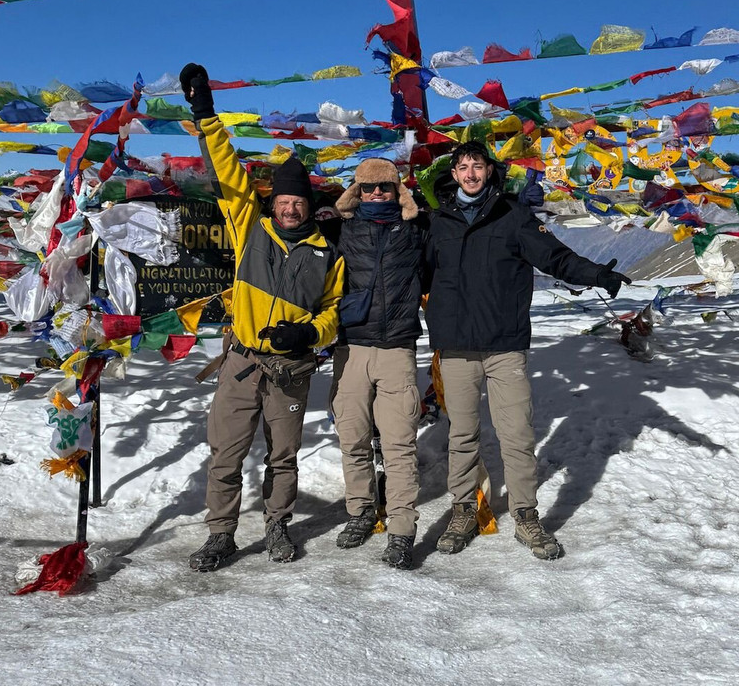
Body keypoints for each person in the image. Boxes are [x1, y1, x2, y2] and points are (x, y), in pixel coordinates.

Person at [425, 141, 630, 560]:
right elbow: (415, 274)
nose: (470, 174)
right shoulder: (436, 222)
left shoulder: (513, 216)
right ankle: (463, 510)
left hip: (504, 344)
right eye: (462, 167)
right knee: (462, 435)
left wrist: (596, 274)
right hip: (457, 346)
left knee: (516, 434)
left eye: (477, 167)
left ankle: (525, 515)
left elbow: (554, 257)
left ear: (489, 171)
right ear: (454, 174)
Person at [181, 63, 345, 573]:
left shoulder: (327, 255)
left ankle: (277, 525)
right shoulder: (250, 229)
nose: (290, 209)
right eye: (283, 200)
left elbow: (335, 314)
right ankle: (221, 535)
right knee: (225, 454)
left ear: (309, 206)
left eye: (298, 202)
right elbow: (228, 172)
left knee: (283, 457)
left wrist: (309, 332)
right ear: (272, 202)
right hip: (243, 362)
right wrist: (205, 113)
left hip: (291, 370)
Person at [324, 158, 427, 570]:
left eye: (385, 186)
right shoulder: (340, 231)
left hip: (398, 349)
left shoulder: (419, 230)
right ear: (357, 192)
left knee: (400, 445)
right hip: (351, 348)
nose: (377, 194)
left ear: (397, 190)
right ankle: (361, 511)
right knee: (353, 440)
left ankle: (402, 529)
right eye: (368, 188)